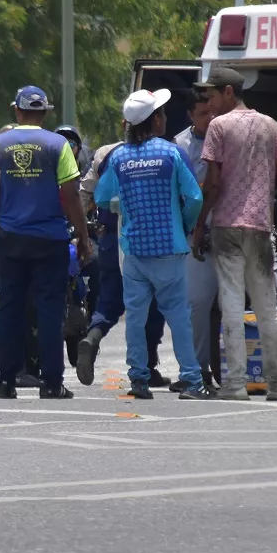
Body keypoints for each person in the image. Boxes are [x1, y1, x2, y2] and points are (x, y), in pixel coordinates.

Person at [96, 90, 210, 400]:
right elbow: (195, 197)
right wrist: (184, 224)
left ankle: (139, 379)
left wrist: (126, 205)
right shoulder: (171, 153)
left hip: (134, 250)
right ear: (155, 119)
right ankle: (191, 379)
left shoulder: (118, 157)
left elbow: (102, 198)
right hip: (170, 248)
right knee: (178, 315)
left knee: (135, 316)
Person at [192, 67, 277, 402]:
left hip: (227, 228)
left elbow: (214, 183)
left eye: (212, 95)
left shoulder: (218, 127)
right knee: (267, 309)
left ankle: (235, 384)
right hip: (261, 227)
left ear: (228, 93)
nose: (209, 101)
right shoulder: (270, 124)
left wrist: (199, 225)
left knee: (232, 307)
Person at [0, 86, 90, 400]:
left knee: (9, 310)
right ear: (44, 113)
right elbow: (71, 195)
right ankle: (52, 383)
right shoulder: (58, 145)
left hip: (11, 240)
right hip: (50, 240)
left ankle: (6, 381)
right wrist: (83, 237)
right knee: (49, 311)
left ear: (17, 111)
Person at [74, 131, 168, 387]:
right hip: (147, 238)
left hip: (109, 238)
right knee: (152, 302)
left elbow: (84, 193)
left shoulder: (105, 154)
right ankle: (146, 366)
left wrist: (79, 232)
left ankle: (93, 337)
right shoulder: (161, 153)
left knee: (109, 298)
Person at [174, 90, 220, 391]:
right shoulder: (179, 146)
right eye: (204, 114)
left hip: (228, 229)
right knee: (199, 304)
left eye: (213, 112)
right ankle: (196, 369)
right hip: (195, 235)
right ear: (191, 115)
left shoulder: (226, 136)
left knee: (230, 304)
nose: (211, 119)